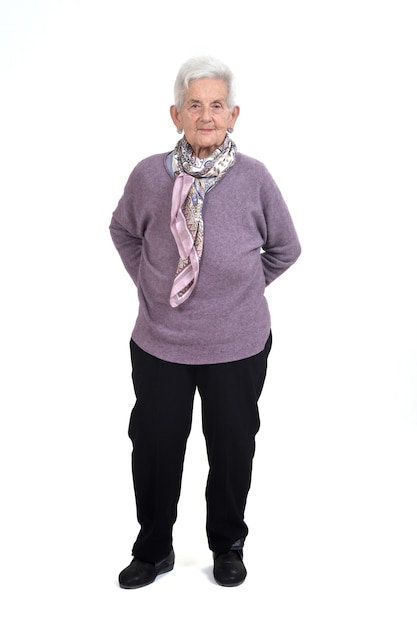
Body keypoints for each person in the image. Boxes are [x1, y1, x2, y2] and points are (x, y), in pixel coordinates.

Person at [109, 55, 301, 589]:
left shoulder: (254, 178)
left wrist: (238, 292)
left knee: (233, 448)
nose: (207, 115)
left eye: (217, 105)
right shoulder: (149, 175)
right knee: (154, 447)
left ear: (234, 114)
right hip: (160, 342)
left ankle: (228, 546)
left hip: (237, 343)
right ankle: (152, 550)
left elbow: (285, 248)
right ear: (176, 114)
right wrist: (150, 281)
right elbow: (123, 232)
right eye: (195, 105)